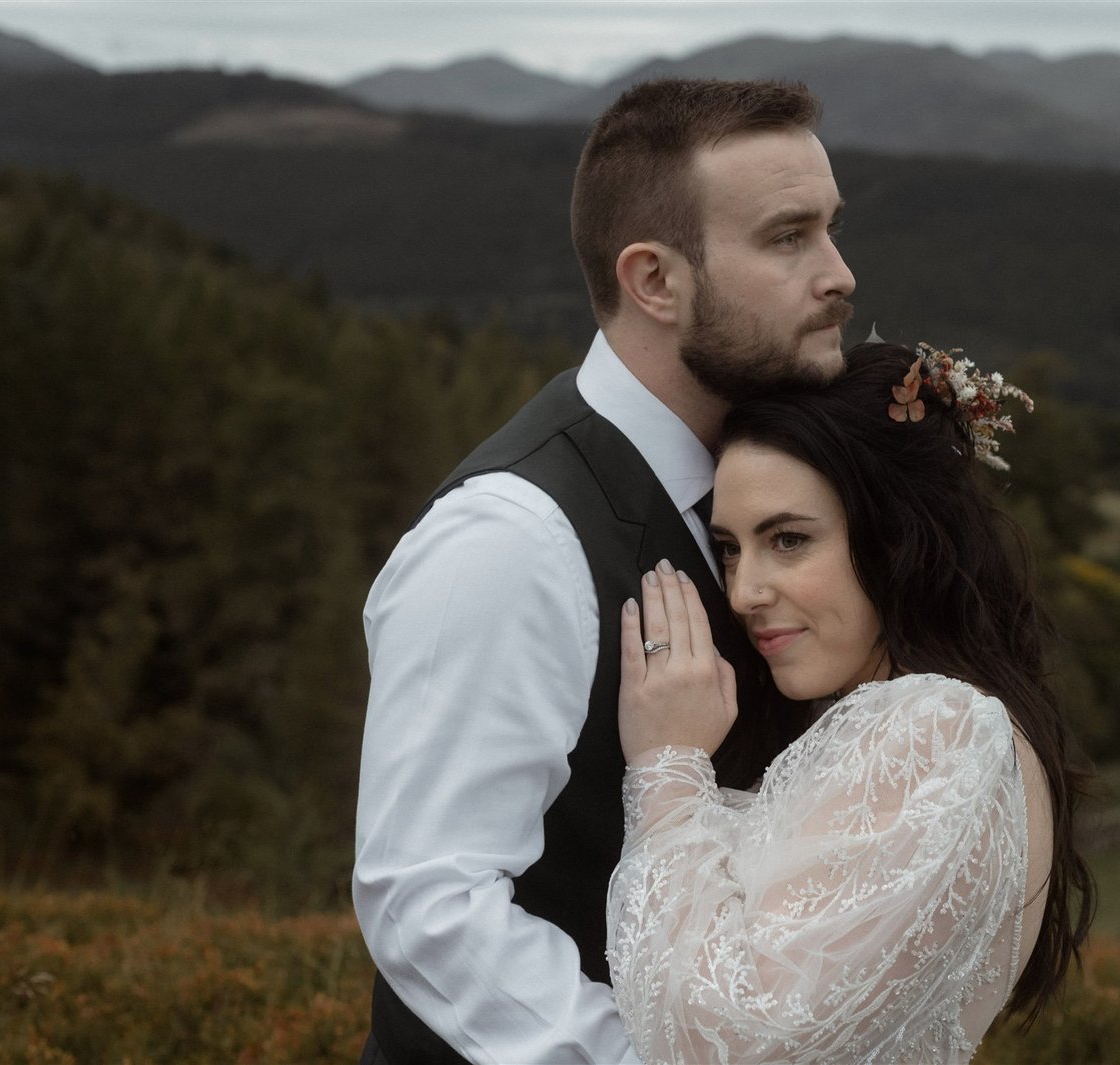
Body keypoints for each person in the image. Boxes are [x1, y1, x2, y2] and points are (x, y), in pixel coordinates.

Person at [352, 78, 855, 1064]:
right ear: (655, 280)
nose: (839, 274)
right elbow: (429, 901)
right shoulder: (509, 541)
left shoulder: (771, 485)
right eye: (789, 237)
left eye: (831, 229)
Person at [606, 342, 1096, 1063]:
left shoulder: (939, 729)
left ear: (896, 538)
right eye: (730, 548)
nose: (744, 592)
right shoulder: (926, 724)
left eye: (788, 539)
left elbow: (730, 1038)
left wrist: (667, 767)